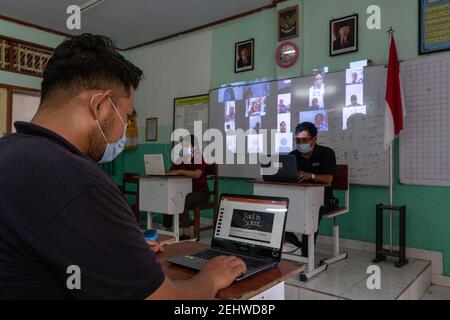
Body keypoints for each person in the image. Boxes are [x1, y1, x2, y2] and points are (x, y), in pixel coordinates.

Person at [0, 34, 246, 299]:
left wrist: (113, 246)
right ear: (101, 106)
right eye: (127, 117)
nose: (124, 131)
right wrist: (209, 278)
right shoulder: (81, 183)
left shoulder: (8, 150)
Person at [285, 122, 337, 257]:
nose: (301, 143)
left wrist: (311, 176)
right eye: (298, 140)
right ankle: (297, 245)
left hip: (322, 199)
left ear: (314, 139)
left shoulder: (327, 153)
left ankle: (307, 255)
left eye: (305, 140)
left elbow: (328, 180)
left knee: (311, 212)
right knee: (279, 211)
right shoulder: (292, 156)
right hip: (297, 197)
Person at [163, 135, 210, 240]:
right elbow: (172, 171)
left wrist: (181, 171)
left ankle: (186, 233)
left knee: (182, 199)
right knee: (168, 197)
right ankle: (167, 229)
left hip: (201, 192)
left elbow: (197, 174)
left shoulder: (198, 157)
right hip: (185, 191)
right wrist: (164, 170)